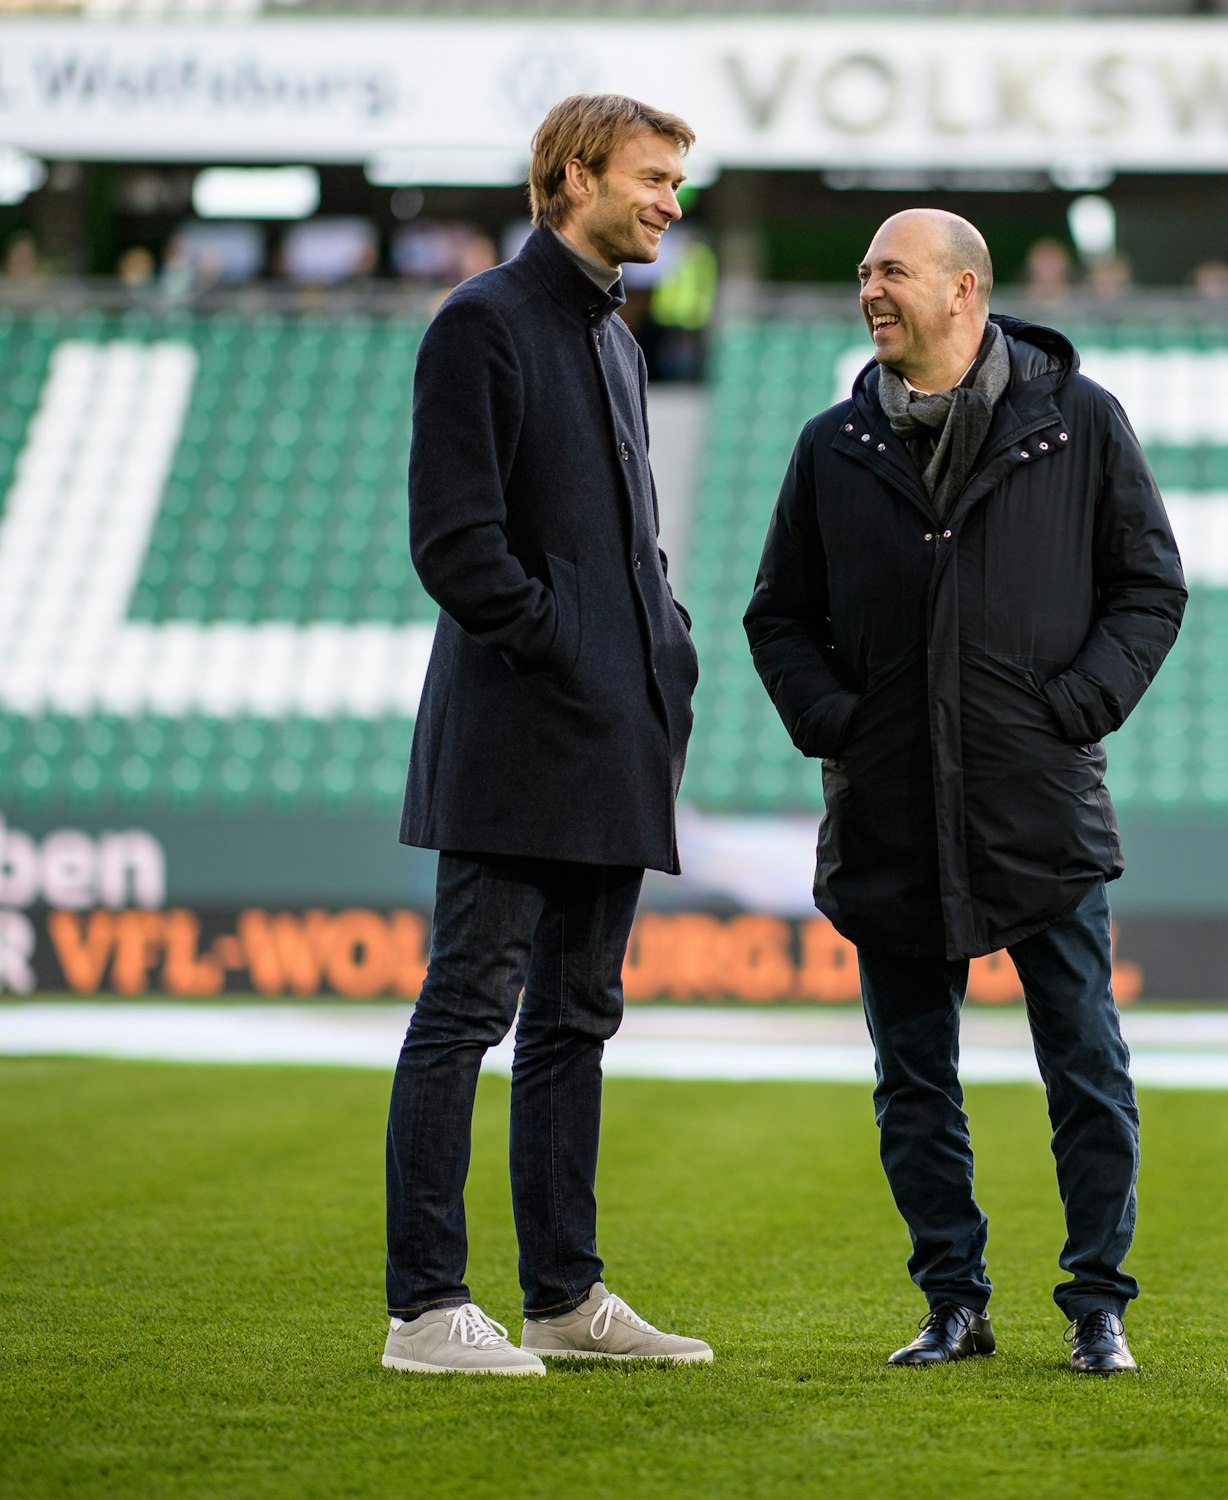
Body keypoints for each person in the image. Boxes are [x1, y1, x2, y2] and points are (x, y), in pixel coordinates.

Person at [744, 209, 1186, 1376]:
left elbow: (1149, 587)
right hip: (888, 813)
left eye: (889, 271)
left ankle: (1097, 1304)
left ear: (965, 291)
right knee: (912, 1085)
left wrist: (1072, 710)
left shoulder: (1079, 424)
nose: (867, 291)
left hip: (1036, 809)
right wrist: (839, 726)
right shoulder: (832, 444)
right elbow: (777, 616)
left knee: (1084, 1066)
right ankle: (954, 1302)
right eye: (861, 274)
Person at [383, 93, 708, 1376]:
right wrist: (566, 649)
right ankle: (422, 1309)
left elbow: (627, 547)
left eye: (678, 180)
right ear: (571, 176)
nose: (671, 201)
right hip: (521, 730)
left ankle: (564, 1302)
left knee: (578, 1018)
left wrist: (657, 651)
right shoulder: (481, 322)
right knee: (466, 1007)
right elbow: (456, 545)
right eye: (651, 176)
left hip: (610, 734)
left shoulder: (617, 339)